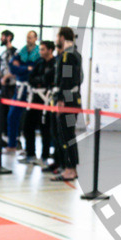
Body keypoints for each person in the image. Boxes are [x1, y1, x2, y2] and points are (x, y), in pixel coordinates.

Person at [52, 27, 83, 183]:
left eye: (58, 36)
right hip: (72, 100)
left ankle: (70, 169)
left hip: (69, 102)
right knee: (68, 134)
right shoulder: (74, 54)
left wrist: (61, 100)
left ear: (62, 37)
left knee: (67, 134)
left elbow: (67, 79)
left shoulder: (68, 56)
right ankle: (69, 167)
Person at [21, 40, 55, 166]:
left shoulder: (55, 64)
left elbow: (49, 79)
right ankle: (30, 154)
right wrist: (39, 81)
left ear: (50, 50)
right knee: (27, 126)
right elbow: (31, 78)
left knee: (45, 128)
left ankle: (45, 156)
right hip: (34, 98)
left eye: (43, 49)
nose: (40, 52)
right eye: (40, 49)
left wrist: (41, 81)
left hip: (46, 99)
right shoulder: (39, 62)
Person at [7, 30, 40, 155]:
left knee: (29, 121)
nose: (28, 40)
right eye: (27, 37)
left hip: (32, 90)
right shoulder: (21, 51)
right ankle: (12, 144)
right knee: (12, 116)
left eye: (31, 37)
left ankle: (29, 149)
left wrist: (21, 67)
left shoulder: (38, 53)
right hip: (19, 88)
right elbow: (12, 67)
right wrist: (26, 67)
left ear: (36, 38)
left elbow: (34, 70)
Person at [0, 29, 18, 149]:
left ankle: (14, 140)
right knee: (4, 113)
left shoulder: (14, 52)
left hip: (12, 86)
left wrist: (7, 76)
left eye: (3, 36)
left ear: (8, 37)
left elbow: (16, 69)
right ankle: (5, 140)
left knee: (12, 114)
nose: (1, 39)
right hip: (4, 86)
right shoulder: (4, 52)